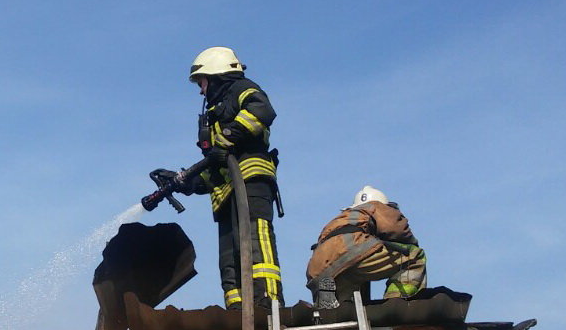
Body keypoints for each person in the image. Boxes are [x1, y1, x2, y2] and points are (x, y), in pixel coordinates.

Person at [157, 46, 282, 309]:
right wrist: (186, 183)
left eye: (201, 83)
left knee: (255, 245)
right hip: (225, 195)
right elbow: (215, 169)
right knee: (229, 260)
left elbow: (262, 110)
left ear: (215, 75)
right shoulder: (214, 113)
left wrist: (227, 137)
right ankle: (237, 310)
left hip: (250, 183)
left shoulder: (241, 89)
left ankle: (267, 303)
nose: (201, 91)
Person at [305, 185, 426, 309]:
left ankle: (338, 306)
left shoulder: (340, 219)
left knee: (346, 306)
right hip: (352, 250)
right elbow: (397, 228)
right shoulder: (375, 206)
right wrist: (411, 243)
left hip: (320, 268)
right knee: (414, 256)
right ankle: (396, 302)